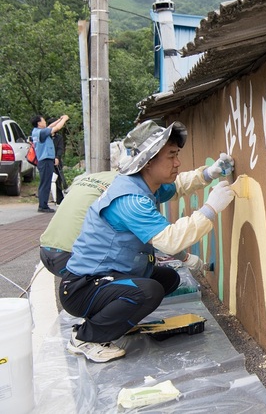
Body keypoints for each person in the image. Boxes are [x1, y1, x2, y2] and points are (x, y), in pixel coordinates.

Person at [60, 120, 235, 363]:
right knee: (149, 291)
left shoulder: (143, 184)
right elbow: (171, 241)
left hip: (104, 278)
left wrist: (209, 173)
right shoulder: (130, 199)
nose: (178, 162)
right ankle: (86, 337)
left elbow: (178, 186)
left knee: (168, 278)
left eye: (177, 155)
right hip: (82, 287)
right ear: (148, 162)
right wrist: (210, 209)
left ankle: (110, 321)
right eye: (171, 156)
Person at [39, 169, 206, 277]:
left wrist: (207, 174)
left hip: (46, 249)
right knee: (137, 270)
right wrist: (185, 258)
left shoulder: (98, 177)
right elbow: (161, 237)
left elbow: (174, 187)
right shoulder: (129, 193)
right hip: (73, 258)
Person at [31, 114, 69, 212]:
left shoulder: (36, 131)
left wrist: (59, 119)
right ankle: (43, 206)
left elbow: (51, 126)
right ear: (39, 123)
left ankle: (43, 204)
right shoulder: (41, 133)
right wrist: (64, 119)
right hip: (46, 160)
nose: (45, 122)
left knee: (45, 182)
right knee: (45, 183)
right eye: (43, 121)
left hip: (43, 160)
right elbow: (56, 128)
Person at [47, 117, 66, 204]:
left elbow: (60, 148)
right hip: (47, 160)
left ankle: (59, 199)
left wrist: (57, 157)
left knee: (58, 179)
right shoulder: (46, 137)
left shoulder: (59, 137)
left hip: (56, 160)